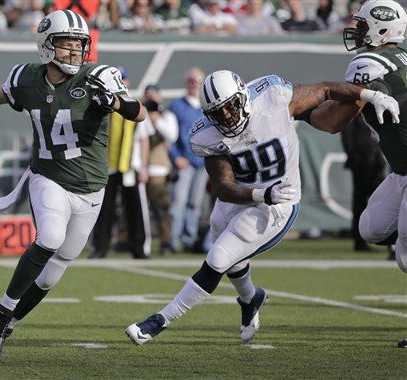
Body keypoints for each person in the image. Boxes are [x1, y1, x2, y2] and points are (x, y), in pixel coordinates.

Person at [0, 9, 146, 359]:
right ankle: (0, 315)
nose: (75, 51)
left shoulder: (100, 76)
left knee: (50, 278)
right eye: (66, 44)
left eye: (79, 44)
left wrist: (117, 102)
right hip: (49, 177)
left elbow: (140, 112)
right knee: (49, 238)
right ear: (47, 46)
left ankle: (9, 321)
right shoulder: (27, 79)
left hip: (92, 188)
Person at [125, 70, 399, 346]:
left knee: (219, 259)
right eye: (218, 113)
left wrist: (371, 95)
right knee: (231, 256)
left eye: (231, 106)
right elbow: (222, 186)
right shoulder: (206, 135)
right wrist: (260, 194)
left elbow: (326, 88)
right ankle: (251, 298)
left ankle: (160, 320)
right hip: (243, 196)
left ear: (243, 97)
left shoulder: (273, 97)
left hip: (279, 204)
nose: (228, 116)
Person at [341, 0, 407, 347]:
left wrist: (301, 108)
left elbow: (336, 117)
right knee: (371, 227)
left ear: (383, 29)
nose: (358, 32)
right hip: (400, 171)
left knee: (406, 256)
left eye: (364, 25)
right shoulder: (400, 59)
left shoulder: (369, 63)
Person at [90, 70, 153, 259]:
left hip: (130, 166)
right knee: (103, 209)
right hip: (107, 166)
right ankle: (99, 247)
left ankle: (140, 248)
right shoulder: (102, 104)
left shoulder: (135, 106)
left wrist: (143, 166)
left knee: (135, 209)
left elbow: (144, 139)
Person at [168, 67, 208, 253]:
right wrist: (176, 157)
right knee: (178, 203)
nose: (194, 84)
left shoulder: (206, 107)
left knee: (195, 204)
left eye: (198, 81)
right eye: (191, 80)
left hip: (201, 162)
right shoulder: (176, 107)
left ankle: (190, 240)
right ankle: (173, 241)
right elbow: (169, 137)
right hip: (184, 162)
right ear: (186, 83)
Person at [142, 84, 179, 255]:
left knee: (160, 208)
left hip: (158, 168)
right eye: (147, 95)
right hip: (138, 167)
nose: (150, 99)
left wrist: (155, 117)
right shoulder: (139, 115)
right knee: (134, 210)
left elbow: (172, 135)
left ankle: (166, 242)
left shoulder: (166, 115)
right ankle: (126, 240)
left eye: (153, 95)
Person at [341, 117, 386, 252]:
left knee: (379, 201)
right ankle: (360, 242)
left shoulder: (367, 115)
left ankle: (385, 239)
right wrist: (354, 159)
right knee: (361, 203)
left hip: (375, 163)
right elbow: (347, 137)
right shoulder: (353, 114)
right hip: (362, 163)